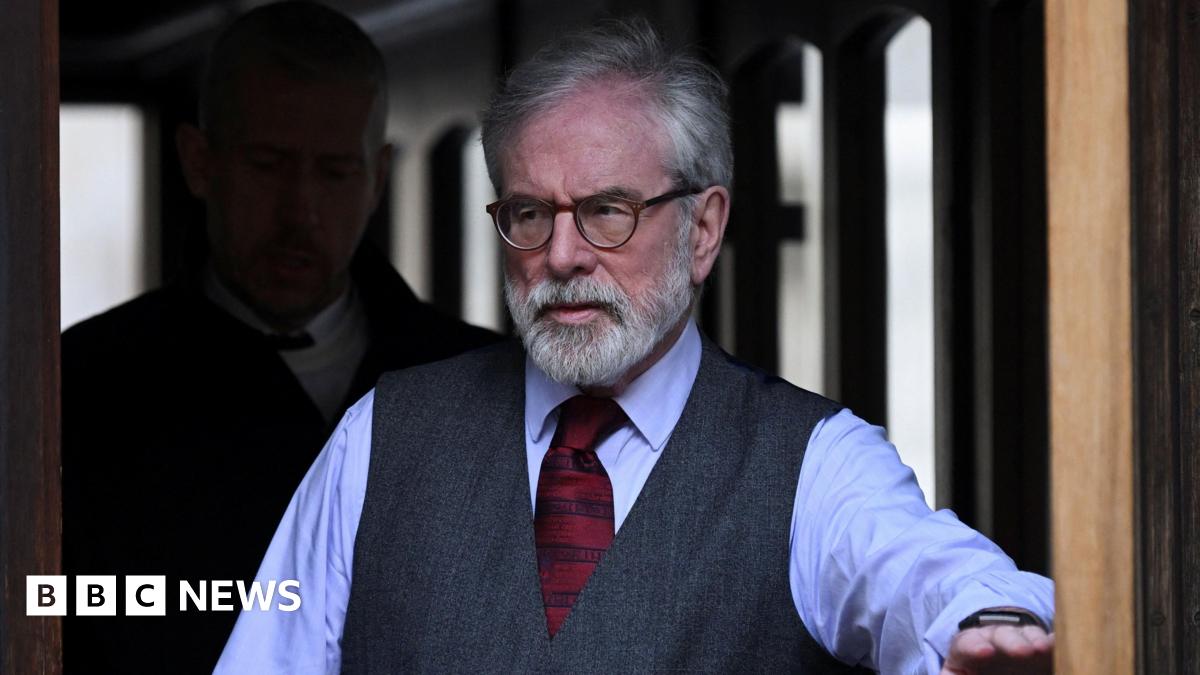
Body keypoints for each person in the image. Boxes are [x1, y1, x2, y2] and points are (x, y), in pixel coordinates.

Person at [216, 17, 1054, 674]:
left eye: (608, 210)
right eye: (530, 212)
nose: (563, 254)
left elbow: (919, 569)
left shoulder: (815, 467)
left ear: (703, 229)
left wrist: (987, 618)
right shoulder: (378, 440)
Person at [60, 2, 497, 672]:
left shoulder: (483, 381)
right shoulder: (82, 386)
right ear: (199, 162)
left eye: (334, 172)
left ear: (377, 178)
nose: (301, 211)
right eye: (268, 164)